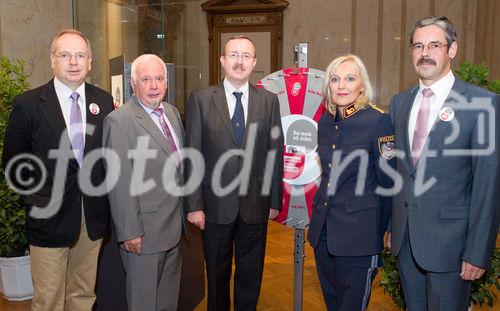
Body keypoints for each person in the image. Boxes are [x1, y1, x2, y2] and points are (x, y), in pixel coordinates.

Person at [389, 16, 500, 310]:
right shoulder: (399, 103)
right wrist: (391, 225)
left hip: (452, 246)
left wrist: (477, 251)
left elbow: (488, 185)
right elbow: (399, 172)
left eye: (434, 45)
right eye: (418, 46)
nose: (425, 53)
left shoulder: (482, 103)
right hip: (406, 240)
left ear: (452, 50)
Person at [1, 29, 113, 310]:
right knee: (48, 299)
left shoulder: (104, 101)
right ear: (53, 60)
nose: (73, 62)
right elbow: (13, 163)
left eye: (80, 55)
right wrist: (41, 195)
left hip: (91, 215)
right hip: (48, 218)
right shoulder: (28, 104)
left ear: (90, 61)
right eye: (65, 55)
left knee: (83, 294)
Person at [185, 35, 284, 311]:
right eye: (233, 55)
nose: (239, 61)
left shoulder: (269, 101)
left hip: (255, 205)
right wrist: (194, 205)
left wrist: (275, 201)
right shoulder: (201, 100)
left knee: (250, 276)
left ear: (254, 62)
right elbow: (192, 156)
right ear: (222, 60)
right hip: (214, 208)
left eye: (245, 56)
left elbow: (274, 153)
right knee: (216, 277)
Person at [307, 54, 395, 311]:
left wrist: (390, 228)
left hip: (360, 236)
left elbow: (389, 181)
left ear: (362, 86)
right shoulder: (324, 123)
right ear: (328, 86)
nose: (342, 86)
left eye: (349, 78)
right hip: (323, 234)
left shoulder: (378, 121)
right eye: (335, 79)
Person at [103, 54, 185, 311]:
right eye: (146, 79)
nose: (154, 86)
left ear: (167, 82)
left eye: (159, 79)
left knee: (167, 302)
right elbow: (119, 181)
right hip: (144, 234)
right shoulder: (119, 120)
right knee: (144, 303)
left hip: (173, 229)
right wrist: (130, 231)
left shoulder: (171, 113)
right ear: (132, 83)